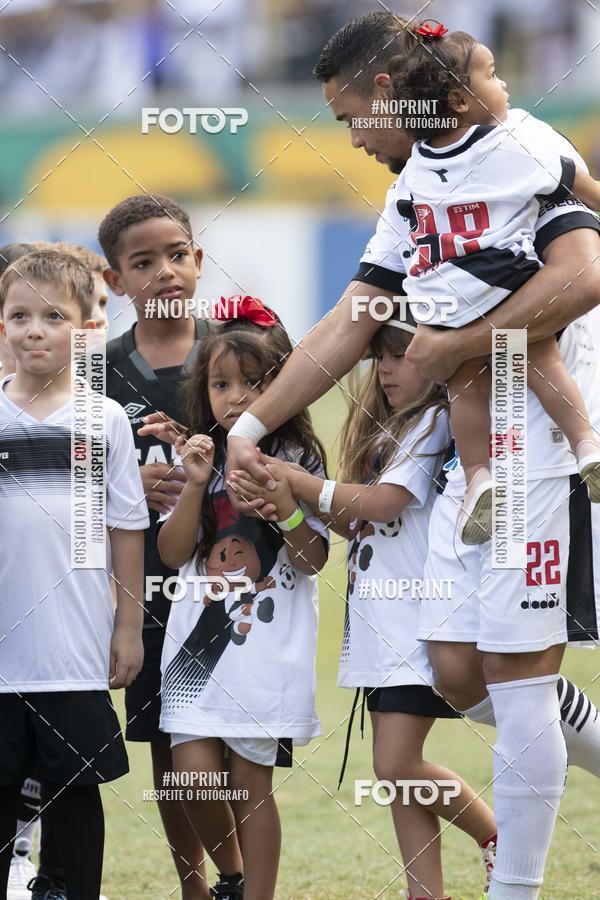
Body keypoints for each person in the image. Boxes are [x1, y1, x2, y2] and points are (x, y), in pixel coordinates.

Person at [224, 11, 600, 899]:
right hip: (475, 450)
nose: (352, 140)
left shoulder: (523, 147)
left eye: (351, 117)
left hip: (536, 447)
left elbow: (584, 273)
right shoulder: (413, 191)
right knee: (458, 669)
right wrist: (249, 427)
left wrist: (455, 344)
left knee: (516, 674)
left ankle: (515, 889)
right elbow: (354, 316)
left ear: (389, 91)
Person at [228, 312, 498, 900]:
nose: (388, 370)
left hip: (417, 622)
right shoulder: (385, 430)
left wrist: (298, 481)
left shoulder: (435, 419)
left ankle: (496, 836)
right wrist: (289, 504)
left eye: (401, 356)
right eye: (381, 358)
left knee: (396, 766)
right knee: (398, 776)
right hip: (379, 628)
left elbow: (384, 503)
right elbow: (353, 522)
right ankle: (425, 892)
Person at [388, 21, 600, 542]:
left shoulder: (414, 167)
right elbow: (580, 185)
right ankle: (585, 443)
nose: (503, 84)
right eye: (492, 74)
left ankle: (478, 476)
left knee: (464, 386)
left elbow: (411, 220)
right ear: (461, 101)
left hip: (444, 295)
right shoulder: (512, 145)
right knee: (541, 359)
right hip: (504, 281)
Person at [155, 297, 328, 900]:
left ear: (285, 386)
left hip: (263, 651)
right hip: (194, 653)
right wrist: (193, 485)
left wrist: (286, 508)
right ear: (203, 390)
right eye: (221, 384)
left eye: (254, 383)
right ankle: (231, 875)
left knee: (252, 786)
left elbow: (312, 559)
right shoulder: (197, 454)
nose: (236, 398)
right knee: (192, 778)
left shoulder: (299, 460)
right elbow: (173, 553)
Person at [0, 249, 148, 898]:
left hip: (74, 650)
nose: (35, 330)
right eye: (20, 316)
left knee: (76, 792)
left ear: (87, 329)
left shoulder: (103, 420)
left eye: (54, 317)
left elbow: (125, 530)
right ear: (2, 326)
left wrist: (128, 628)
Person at [98, 194, 212, 899]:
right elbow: (67, 479)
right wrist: (120, 483)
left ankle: (243, 879)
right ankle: (194, 886)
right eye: (143, 263)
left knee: (234, 743)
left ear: (198, 260)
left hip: (235, 584)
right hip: (147, 586)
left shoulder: (243, 351)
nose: (165, 272)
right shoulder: (96, 372)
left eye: (176, 256)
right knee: (168, 742)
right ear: (115, 281)